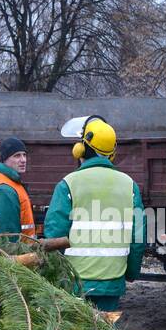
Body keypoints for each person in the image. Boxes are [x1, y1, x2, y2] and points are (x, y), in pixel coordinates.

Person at [43, 117, 145, 312]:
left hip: (74, 282)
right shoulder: (129, 185)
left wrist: (56, 276)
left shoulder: (67, 184)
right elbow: (138, 238)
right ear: (112, 153)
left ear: (81, 149)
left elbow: (54, 234)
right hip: (112, 282)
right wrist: (131, 272)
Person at [0, 136, 34, 241]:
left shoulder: (9, 183)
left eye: (24, 155)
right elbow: (6, 240)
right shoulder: (3, 190)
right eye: (17, 156)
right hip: (11, 255)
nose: (23, 160)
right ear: (5, 159)